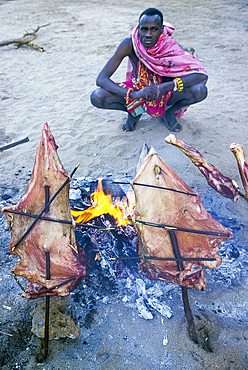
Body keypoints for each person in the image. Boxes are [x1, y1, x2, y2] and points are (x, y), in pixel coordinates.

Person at [90, 8, 208, 132]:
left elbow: (200, 75)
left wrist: (165, 87)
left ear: (161, 30)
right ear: (139, 28)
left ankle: (170, 112)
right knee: (97, 96)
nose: (148, 34)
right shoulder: (130, 44)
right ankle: (134, 113)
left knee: (200, 90)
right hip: (138, 91)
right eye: (144, 29)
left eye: (154, 29)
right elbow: (101, 79)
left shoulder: (170, 46)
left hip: (166, 92)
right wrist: (133, 94)